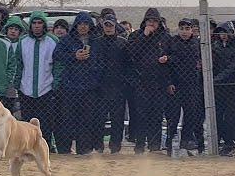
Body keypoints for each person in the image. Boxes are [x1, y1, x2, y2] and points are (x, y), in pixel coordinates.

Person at [126, 8, 172, 154]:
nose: (152, 24)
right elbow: (131, 53)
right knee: (141, 115)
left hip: (159, 82)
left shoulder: (165, 37)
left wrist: (167, 61)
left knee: (156, 115)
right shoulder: (136, 36)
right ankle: (139, 145)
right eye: (149, 21)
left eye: (155, 21)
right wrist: (144, 36)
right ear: (144, 22)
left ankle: (155, 146)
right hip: (140, 81)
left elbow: (171, 58)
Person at [53, 11, 100, 155]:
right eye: (80, 24)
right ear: (76, 25)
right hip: (70, 86)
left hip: (89, 87)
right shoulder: (67, 40)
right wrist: (74, 56)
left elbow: (102, 61)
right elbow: (57, 55)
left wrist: (95, 76)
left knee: (86, 120)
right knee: (67, 119)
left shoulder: (96, 41)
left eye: (86, 24)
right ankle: (65, 149)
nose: (83, 27)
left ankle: (84, 149)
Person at [14, 11, 61, 152]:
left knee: (46, 122)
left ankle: (44, 148)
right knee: (27, 121)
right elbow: (18, 63)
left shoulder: (53, 41)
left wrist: (55, 83)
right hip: (25, 88)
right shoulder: (23, 41)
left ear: (44, 25)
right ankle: (27, 148)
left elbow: (58, 64)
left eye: (40, 23)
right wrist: (17, 82)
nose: (36, 26)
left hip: (46, 88)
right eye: (34, 23)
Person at [164, 17, 204, 155]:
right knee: (173, 116)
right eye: (182, 29)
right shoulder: (172, 42)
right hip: (176, 85)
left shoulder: (197, 43)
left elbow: (198, 62)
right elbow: (167, 65)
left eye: (187, 29)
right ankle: (168, 143)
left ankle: (186, 142)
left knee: (191, 115)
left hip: (192, 85)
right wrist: (168, 82)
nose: (184, 32)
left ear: (192, 30)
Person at [91, 14, 130, 154]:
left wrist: (124, 81)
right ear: (103, 26)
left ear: (115, 26)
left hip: (118, 87)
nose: (108, 28)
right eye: (106, 25)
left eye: (111, 25)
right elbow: (93, 63)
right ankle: (98, 145)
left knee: (117, 118)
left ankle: (115, 146)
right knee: (99, 117)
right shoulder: (96, 42)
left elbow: (128, 64)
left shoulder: (122, 43)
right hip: (101, 87)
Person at [211, 21, 235, 156]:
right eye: (220, 33)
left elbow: (233, 68)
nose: (223, 35)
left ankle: (231, 143)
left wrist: (216, 79)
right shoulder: (215, 46)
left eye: (225, 32)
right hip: (219, 88)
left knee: (232, 117)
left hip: (233, 87)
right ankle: (224, 142)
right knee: (219, 116)